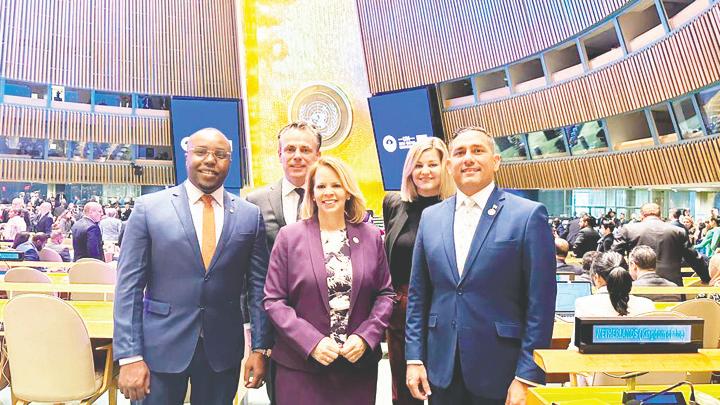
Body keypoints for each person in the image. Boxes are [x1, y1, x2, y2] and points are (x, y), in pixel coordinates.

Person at [113, 128, 272, 404]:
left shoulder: (249, 216)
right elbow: (129, 288)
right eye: (201, 152)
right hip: (158, 349)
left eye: (220, 154)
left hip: (222, 352)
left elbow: (259, 289)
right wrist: (129, 356)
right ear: (186, 156)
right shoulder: (148, 209)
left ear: (230, 161)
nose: (210, 160)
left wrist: (260, 348)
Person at [405, 126, 556, 404]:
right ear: (449, 165)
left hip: (501, 371)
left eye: (478, 151)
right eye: (460, 153)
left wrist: (527, 375)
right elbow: (418, 295)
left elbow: (541, 303)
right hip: (442, 368)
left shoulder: (527, 215)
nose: (468, 159)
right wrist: (414, 358)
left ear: (495, 161)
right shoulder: (431, 218)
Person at [263, 156, 394, 405]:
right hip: (301, 368)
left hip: (356, 369)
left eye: (336, 185)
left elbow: (385, 294)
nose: (328, 192)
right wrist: (312, 342)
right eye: (321, 186)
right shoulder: (289, 237)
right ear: (312, 194)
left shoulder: (371, 236)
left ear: (348, 191)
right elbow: (274, 300)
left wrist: (365, 337)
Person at [246, 121, 322, 403]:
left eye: (305, 149)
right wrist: (258, 344)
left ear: (318, 155)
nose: (297, 156)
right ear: (279, 154)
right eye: (290, 149)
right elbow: (253, 278)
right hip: (277, 334)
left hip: (328, 331)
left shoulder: (334, 198)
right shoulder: (255, 203)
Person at [382, 137, 455, 405]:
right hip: (401, 313)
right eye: (418, 165)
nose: (425, 171)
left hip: (444, 310)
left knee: (443, 390)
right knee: (404, 395)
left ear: (445, 167)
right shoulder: (393, 203)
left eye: (432, 164)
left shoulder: (458, 207)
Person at [570, 251, 655, 349]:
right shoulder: (647, 304)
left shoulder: (584, 304)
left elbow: (575, 347)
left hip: (596, 358)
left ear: (596, 277)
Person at [613, 203, 708, 286]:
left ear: (641, 215)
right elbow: (693, 258)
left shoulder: (628, 230)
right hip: (673, 287)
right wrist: (706, 278)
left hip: (636, 285)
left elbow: (615, 257)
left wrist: (622, 279)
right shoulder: (678, 231)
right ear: (660, 215)